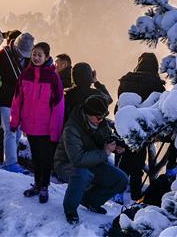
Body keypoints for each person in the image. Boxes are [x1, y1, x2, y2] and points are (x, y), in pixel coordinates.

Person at [54, 95, 129, 224]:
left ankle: (90, 201)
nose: (101, 120)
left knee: (121, 179)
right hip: (67, 164)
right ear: (88, 114)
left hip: (93, 160)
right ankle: (70, 209)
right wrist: (105, 152)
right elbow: (77, 159)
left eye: (103, 116)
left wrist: (116, 146)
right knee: (82, 173)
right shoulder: (71, 129)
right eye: (98, 117)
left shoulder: (100, 122)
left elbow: (106, 138)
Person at [10, 41, 64, 203]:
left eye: (40, 55)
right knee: (36, 156)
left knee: (45, 158)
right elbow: (17, 100)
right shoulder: (25, 74)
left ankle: (44, 186)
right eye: (34, 54)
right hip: (30, 125)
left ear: (47, 57)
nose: (36, 57)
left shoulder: (53, 77)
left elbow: (58, 105)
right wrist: (15, 121)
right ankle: (37, 184)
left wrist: (55, 130)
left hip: (46, 127)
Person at [116, 52, 165, 200]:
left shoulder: (126, 80)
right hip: (142, 125)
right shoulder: (155, 83)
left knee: (123, 158)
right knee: (138, 160)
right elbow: (159, 104)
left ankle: (118, 189)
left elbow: (120, 98)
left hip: (123, 121)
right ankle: (135, 192)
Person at [0, 31, 33, 172]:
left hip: (22, 101)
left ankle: (12, 160)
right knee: (10, 130)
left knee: (17, 130)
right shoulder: (3, 55)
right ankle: (10, 163)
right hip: (6, 100)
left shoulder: (30, 59)